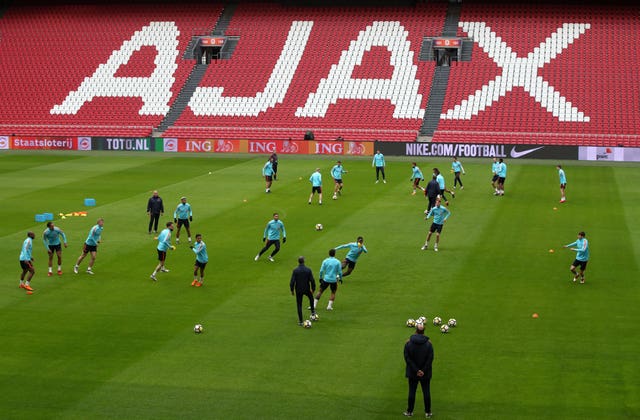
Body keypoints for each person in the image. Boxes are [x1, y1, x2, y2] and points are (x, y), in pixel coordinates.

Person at [403, 322, 434, 418]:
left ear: (415, 330)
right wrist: (423, 370)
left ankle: (409, 412)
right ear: (423, 331)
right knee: (426, 392)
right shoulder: (429, 344)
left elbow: (407, 359)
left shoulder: (408, 343)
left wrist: (416, 370)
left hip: (412, 373)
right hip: (426, 373)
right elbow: (430, 359)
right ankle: (428, 412)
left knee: (412, 391)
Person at [289, 256, 316, 325]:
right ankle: (313, 313)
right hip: (306, 288)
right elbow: (312, 280)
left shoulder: (295, 270)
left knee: (299, 304)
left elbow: (292, 282)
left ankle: (301, 321)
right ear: (304, 261)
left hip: (298, 290)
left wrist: (292, 290)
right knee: (311, 299)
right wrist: (313, 289)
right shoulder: (308, 270)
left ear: (298, 261)